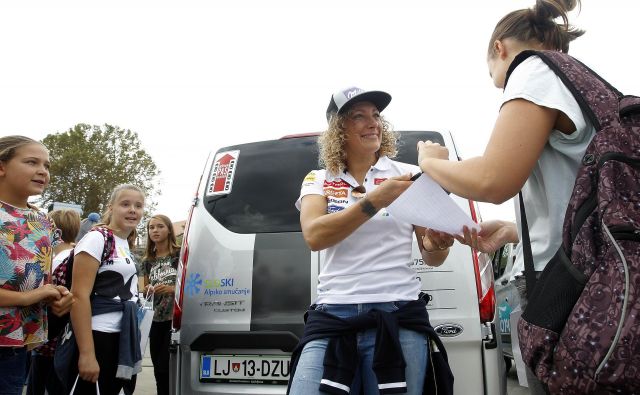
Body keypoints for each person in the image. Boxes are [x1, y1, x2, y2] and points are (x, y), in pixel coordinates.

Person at [415, 1, 589, 393]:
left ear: (499, 48)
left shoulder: (533, 71)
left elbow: (492, 179)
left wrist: (430, 162)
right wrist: (513, 230)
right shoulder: (575, 80)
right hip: (591, 268)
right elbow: (579, 196)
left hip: (568, 282)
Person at [288, 87, 454, 395]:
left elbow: (431, 254)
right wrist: (376, 200)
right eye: (359, 116)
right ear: (338, 129)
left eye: (376, 115)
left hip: (397, 313)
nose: (372, 122)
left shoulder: (409, 174)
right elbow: (315, 236)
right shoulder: (319, 179)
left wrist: (439, 242)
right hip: (333, 313)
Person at [0, 135, 74, 395]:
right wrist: (34, 295)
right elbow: (32, 291)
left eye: (47, 165)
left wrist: (57, 296)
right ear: (2, 167)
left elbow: (40, 281)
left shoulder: (44, 221)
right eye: (32, 162)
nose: (43, 171)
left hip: (18, 345)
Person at [67, 184, 145, 395]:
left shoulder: (124, 242)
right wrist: (87, 354)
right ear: (111, 208)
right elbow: (79, 295)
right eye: (125, 204)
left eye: (138, 205)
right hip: (98, 335)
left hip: (121, 335)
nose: (132, 210)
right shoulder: (97, 238)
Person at [27, 209, 81, 395]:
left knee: (40, 385)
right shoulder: (76, 255)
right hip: (63, 340)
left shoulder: (55, 260)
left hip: (48, 340)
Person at [140, 214, 180, 395]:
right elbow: (142, 289)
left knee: (169, 366)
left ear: (169, 229)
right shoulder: (147, 260)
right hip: (154, 320)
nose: (155, 230)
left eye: (160, 226)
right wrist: (147, 289)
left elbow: (195, 284)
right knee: (158, 367)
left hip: (176, 320)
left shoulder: (179, 254)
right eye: (151, 227)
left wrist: (172, 289)